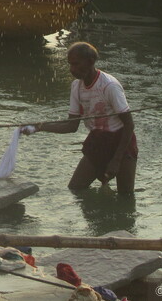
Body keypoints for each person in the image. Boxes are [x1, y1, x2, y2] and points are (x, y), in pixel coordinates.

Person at [23, 42, 137, 195]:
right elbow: (71, 126)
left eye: (76, 64)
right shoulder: (76, 87)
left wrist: (116, 160)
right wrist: (39, 126)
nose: (72, 70)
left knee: (126, 196)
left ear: (90, 62)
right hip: (98, 141)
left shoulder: (109, 86)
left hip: (121, 141)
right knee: (75, 188)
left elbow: (129, 125)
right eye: (70, 65)